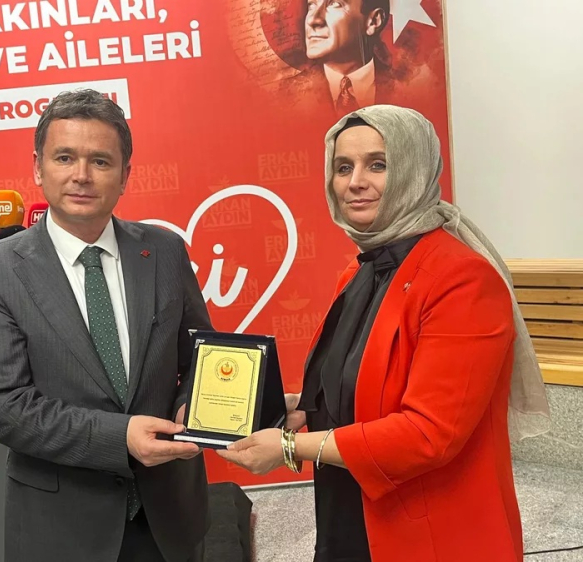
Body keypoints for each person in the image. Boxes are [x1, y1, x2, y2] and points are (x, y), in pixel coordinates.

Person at [218, 105, 551, 561]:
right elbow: (362, 387)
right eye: (343, 167)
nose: (355, 182)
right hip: (351, 510)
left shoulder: (463, 280)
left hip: (432, 535)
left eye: (378, 164)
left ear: (415, 169)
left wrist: (291, 447)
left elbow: (428, 433)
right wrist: (298, 409)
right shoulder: (358, 274)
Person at [0, 89, 212, 562]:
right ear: (38, 168)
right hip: (62, 530)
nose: (81, 175)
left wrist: (192, 406)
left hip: (170, 518)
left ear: (125, 175)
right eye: (64, 157)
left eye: (100, 161)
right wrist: (121, 438)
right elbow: (1, 407)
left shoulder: (165, 251)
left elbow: (200, 355)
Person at [304, 0, 393, 114]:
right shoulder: (289, 92)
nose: (312, 20)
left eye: (335, 4)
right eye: (311, 5)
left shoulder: (406, 87)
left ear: (373, 22)